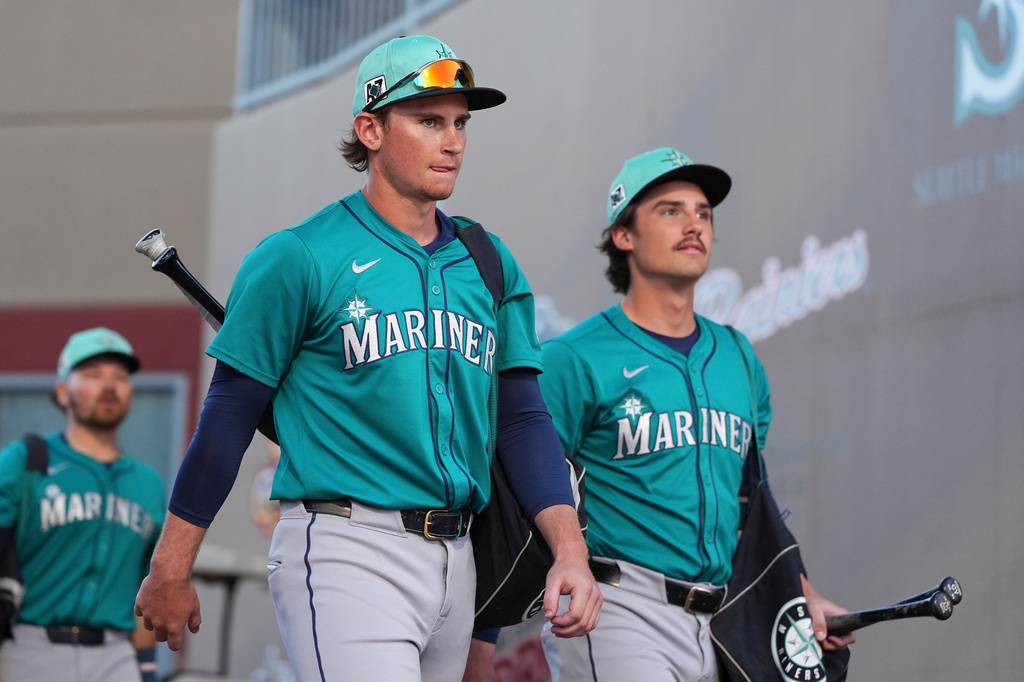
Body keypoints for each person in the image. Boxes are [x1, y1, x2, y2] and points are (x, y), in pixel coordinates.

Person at [134, 34, 601, 682]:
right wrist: (171, 566)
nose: (454, 139)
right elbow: (227, 422)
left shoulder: (490, 264)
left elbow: (523, 423)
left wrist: (569, 552)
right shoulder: (299, 256)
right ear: (370, 129)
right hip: (347, 547)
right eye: (430, 119)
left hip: (457, 560)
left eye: (461, 122)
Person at [533, 148, 856, 680]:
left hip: (722, 621)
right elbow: (528, 486)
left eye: (703, 212)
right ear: (624, 235)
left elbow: (752, 505)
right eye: (669, 210)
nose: (694, 224)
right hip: (618, 609)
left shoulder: (737, 357)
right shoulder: (573, 358)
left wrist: (804, 595)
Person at [0, 327, 165, 682]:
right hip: (30, 647)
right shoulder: (26, 461)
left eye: (120, 376)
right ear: (63, 391)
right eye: (92, 375)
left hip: (117, 655)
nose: (109, 385)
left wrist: (147, 668)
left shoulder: (149, 484)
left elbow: (146, 591)